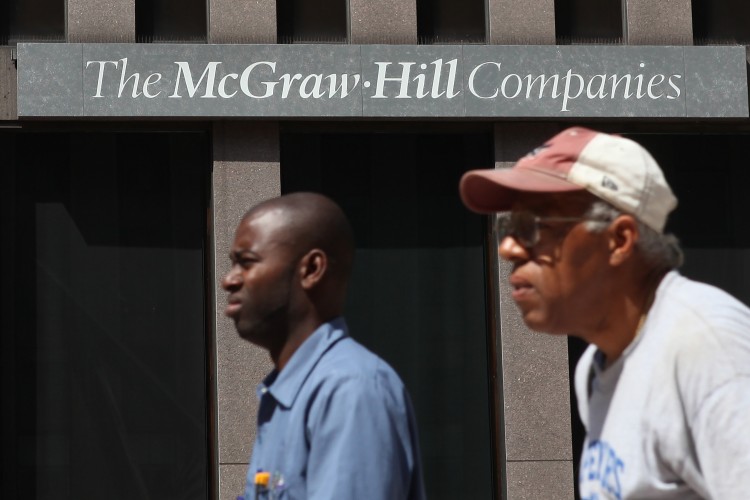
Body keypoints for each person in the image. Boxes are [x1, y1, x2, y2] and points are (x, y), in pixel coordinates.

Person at [459, 127, 750, 499]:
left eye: (534, 226)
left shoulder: (708, 349)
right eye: (507, 227)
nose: (509, 248)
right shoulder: (596, 364)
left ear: (620, 240)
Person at [222, 192, 425, 500]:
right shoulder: (288, 394)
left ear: (312, 269)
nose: (229, 280)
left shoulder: (349, 390)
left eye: (246, 262)